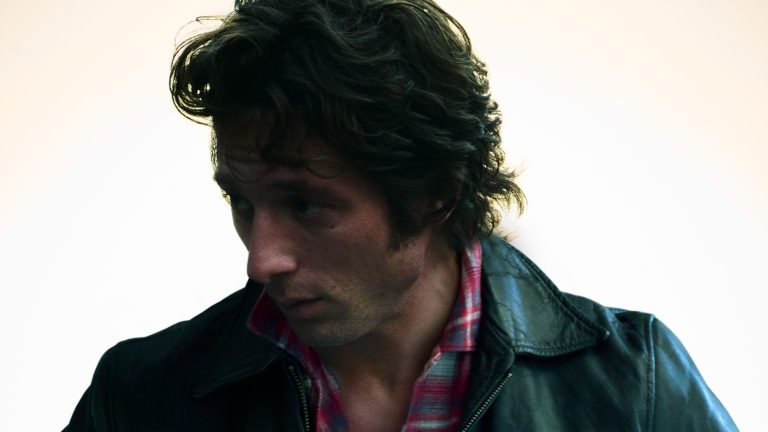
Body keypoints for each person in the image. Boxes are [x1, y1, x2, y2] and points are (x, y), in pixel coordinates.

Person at [65, 0, 737, 430]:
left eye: (306, 204)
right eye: (243, 202)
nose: (261, 259)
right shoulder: (141, 399)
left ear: (433, 194)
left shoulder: (633, 386)